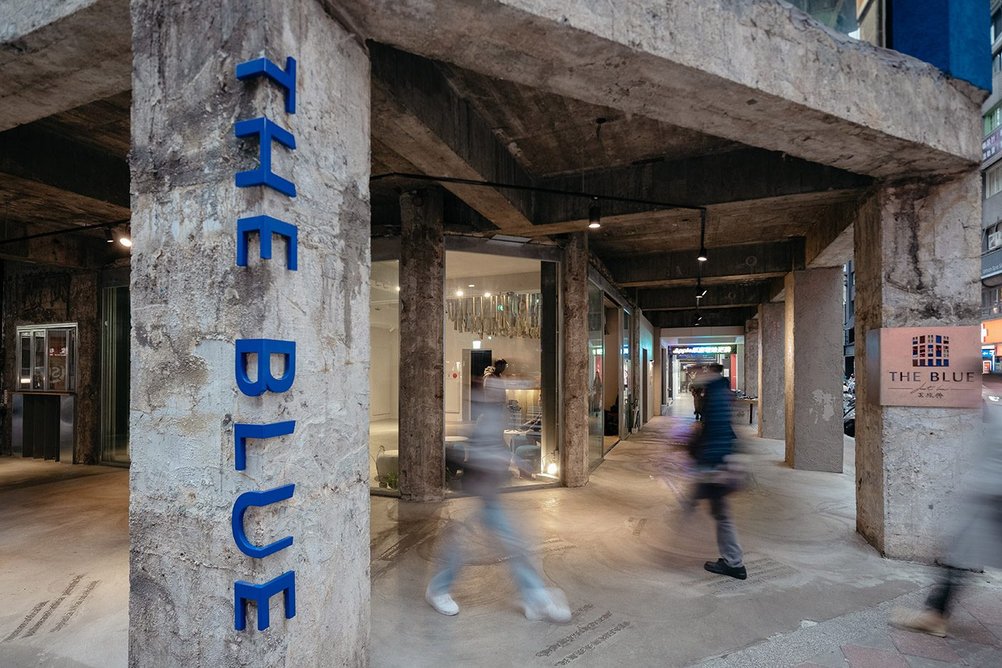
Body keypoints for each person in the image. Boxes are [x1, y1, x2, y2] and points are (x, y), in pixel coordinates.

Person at [426, 360, 571, 622]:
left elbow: (496, 445)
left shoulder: (496, 413)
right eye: (496, 386)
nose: (501, 390)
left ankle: (533, 597)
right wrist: (509, 461)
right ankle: (438, 590)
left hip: (488, 490)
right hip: (480, 489)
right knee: (478, 543)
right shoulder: (482, 413)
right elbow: (480, 450)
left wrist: (517, 462)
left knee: (507, 542)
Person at [890, 401, 1002, 637]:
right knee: (958, 552)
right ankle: (936, 614)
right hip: (986, 499)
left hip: (990, 500)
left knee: (960, 551)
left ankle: (935, 615)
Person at [687, 363, 747, 580]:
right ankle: (733, 559)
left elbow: (720, 430)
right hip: (717, 460)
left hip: (716, 462)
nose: (698, 376)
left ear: (710, 373)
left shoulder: (716, 394)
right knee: (719, 511)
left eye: (701, 373)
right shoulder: (718, 391)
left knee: (720, 513)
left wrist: (710, 463)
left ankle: (734, 562)